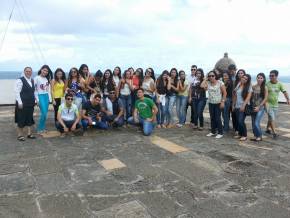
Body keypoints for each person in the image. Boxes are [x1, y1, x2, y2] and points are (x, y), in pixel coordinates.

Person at [265, 70, 290, 139]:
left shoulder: (279, 84)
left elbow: (284, 92)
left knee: (271, 118)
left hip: (275, 104)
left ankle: (267, 129)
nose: (271, 77)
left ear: (276, 76)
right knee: (272, 117)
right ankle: (274, 133)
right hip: (267, 103)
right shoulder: (267, 84)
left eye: (272, 76)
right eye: (270, 76)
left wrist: (288, 99)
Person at [14, 67, 36, 141]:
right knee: (21, 118)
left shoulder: (32, 80)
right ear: (24, 72)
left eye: (30, 71)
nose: (28, 72)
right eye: (27, 71)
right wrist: (20, 102)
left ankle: (29, 134)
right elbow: (17, 92)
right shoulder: (20, 80)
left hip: (30, 103)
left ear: (31, 72)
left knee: (29, 118)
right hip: (22, 103)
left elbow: (33, 92)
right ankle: (20, 135)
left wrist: (36, 100)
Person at [205, 71, 227, 139]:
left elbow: (225, 93)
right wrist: (205, 79)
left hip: (218, 103)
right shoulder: (208, 83)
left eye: (212, 76)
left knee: (217, 118)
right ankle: (213, 131)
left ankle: (220, 132)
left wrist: (223, 102)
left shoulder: (220, 83)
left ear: (215, 76)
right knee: (212, 117)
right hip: (211, 103)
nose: (211, 77)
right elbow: (202, 86)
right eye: (209, 76)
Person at [232, 74, 252, 141]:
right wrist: (233, 105)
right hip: (237, 105)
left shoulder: (249, 87)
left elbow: (248, 97)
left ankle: (244, 135)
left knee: (241, 121)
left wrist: (243, 105)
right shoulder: (239, 84)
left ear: (248, 81)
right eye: (243, 77)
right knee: (238, 121)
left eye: (246, 79)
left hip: (244, 106)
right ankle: (240, 134)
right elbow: (235, 95)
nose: (244, 79)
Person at [250, 73, 268, 141]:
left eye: (261, 78)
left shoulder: (265, 87)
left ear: (263, 79)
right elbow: (251, 97)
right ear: (256, 78)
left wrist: (259, 107)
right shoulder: (253, 87)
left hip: (260, 107)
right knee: (253, 122)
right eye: (258, 77)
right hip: (253, 106)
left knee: (256, 122)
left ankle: (259, 136)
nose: (259, 79)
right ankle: (255, 135)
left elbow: (265, 98)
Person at [34, 65, 51, 133]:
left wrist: (49, 98)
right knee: (43, 113)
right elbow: (34, 90)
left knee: (45, 113)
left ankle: (43, 128)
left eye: (47, 71)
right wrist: (37, 100)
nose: (45, 72)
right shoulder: (36, 78)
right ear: (41, 70)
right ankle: (39, 129)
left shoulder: (46, 79)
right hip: (40, 96)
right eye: (44, 70)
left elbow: (47, 89)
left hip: (46, 96)